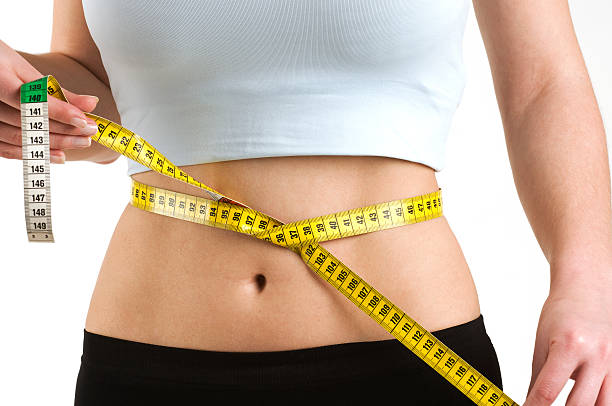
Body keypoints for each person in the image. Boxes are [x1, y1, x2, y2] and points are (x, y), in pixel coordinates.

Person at [1, 0, 610, 405]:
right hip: (147, 360)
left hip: (401, 355)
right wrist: (26, 95)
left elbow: (544, 84)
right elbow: (94, 92)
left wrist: (587, 279)